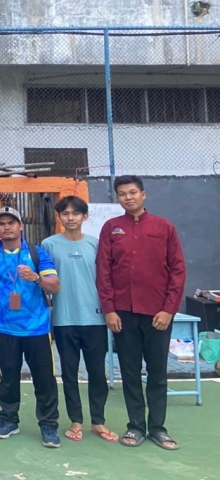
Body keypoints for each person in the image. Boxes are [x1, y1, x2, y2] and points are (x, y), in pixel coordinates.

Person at [96, 176, 186, 451]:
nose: (128, 197)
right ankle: (135, 426)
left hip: (157, 313)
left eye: (133, 192)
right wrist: (110, 310)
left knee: (157, 373)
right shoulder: (111, 228)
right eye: (122, 194)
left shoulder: (164, 227)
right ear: (118, 198)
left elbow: (178, 271)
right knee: (130, 371)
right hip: (123, 314)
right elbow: (103, 271)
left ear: (143, 195)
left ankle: (158, 428)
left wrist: (168, 309)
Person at [0, 206, 61, 448]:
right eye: (1, 223)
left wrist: (36, 278)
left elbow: (55, 285)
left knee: (44, 380)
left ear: (20, 226)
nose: (6, 227)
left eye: (11, 223)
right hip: (5, 329)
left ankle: (48, 425)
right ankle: (8, 420)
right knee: (8, 378)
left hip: (37, 329)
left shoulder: (37, 254)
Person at [43, 196, 117, 444]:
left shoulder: (96, 244)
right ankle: (76, 420)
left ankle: (98, 421)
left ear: (85, 216)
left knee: (97, 372)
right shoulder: (49, 245)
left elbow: (106, 281)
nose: (70, 217)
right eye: (65, 213)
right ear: (58, 217)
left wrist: (110, 310)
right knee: (69, 373)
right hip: (64, 319)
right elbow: (45, 281)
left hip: (95, 319)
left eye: (76, 213)